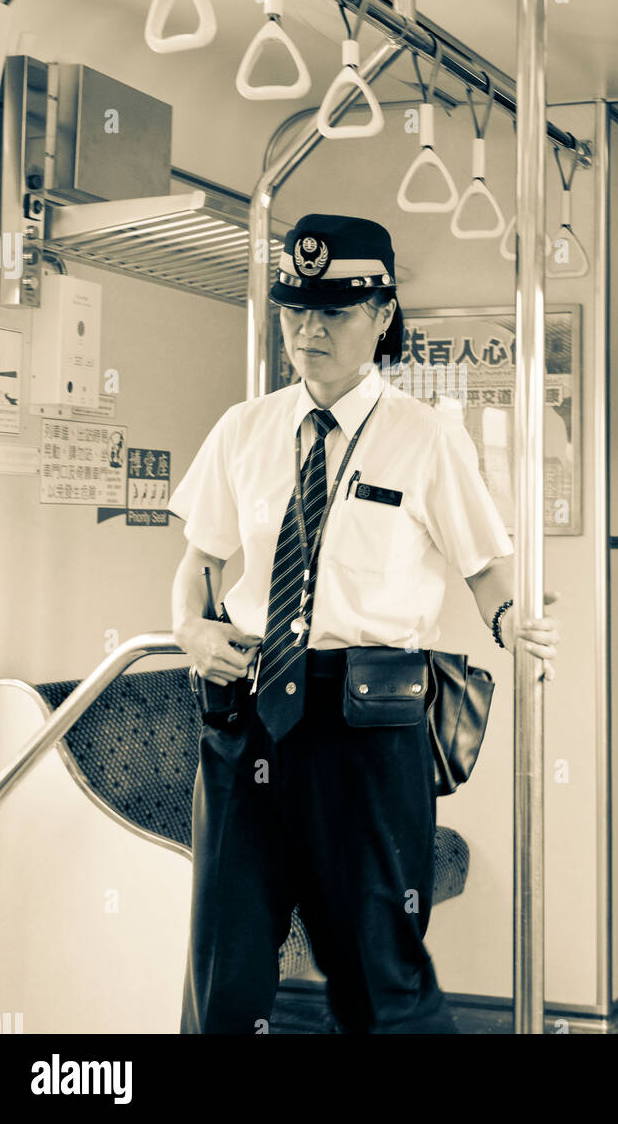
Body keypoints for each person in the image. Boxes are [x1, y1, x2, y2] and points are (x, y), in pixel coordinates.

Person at [169, 211, 558, 1035]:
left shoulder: (426, 438)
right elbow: (200, 563)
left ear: (382, 316)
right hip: (246, 718)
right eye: (294, 309)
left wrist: (513, 619)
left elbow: (488, 567)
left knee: (379, 972)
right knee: (223, 968)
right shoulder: (245, 429)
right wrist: (190, 630)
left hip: (367, 726)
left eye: (333, 311)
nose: (307, 329)